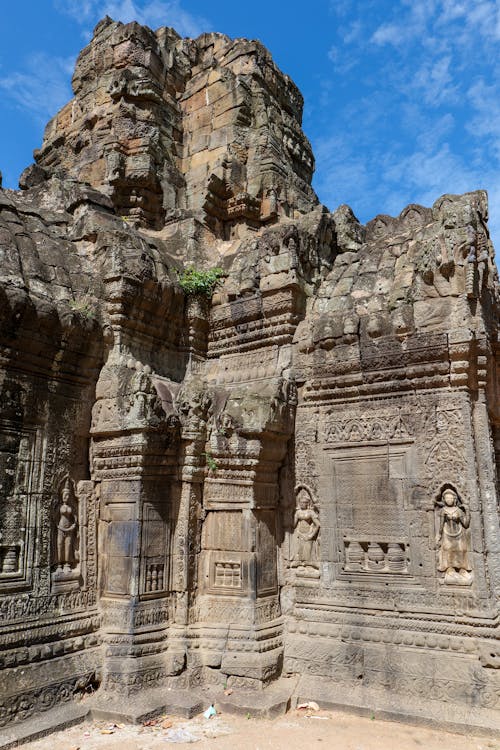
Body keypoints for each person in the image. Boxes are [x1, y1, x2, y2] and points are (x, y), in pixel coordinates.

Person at [435, 486, 471, 583]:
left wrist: (466, 511)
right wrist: (438, 535)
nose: (449, 500)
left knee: (461, 550)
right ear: (444, 499)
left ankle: (462, 569)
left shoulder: (458, 510)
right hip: (447, 534)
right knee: (448, 550)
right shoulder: (443, 510)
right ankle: (450, 569)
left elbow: (466, 524)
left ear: (454, 499)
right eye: (447, 498)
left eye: (451, 498)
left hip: (459, 534)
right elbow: (441, 524)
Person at [291, 488, 320, 568]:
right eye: (301, 502)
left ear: (307, 503)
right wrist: (290, 514)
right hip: (300, 533)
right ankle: (301, 564)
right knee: (300, 550)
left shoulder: (310, 512)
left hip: (308, 533)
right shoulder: (298, 512)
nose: (302, 504)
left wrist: (311, 535)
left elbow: (318, 524)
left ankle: (309, 565)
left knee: (308, 551)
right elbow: (293, 525)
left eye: (304, 503)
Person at [56, 482, 78, 573]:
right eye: (65, 495)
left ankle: (67, 564)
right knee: (60, 545)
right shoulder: (59, 507)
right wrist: (58, 526)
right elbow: (54, 517)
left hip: (69, 529)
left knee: (68, 545)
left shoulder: (71, 507)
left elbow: (75, 517)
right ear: (62, 496)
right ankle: (59, 564)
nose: (67, 497)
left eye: (68, 495)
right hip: (61, 528)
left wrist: (73, 525)